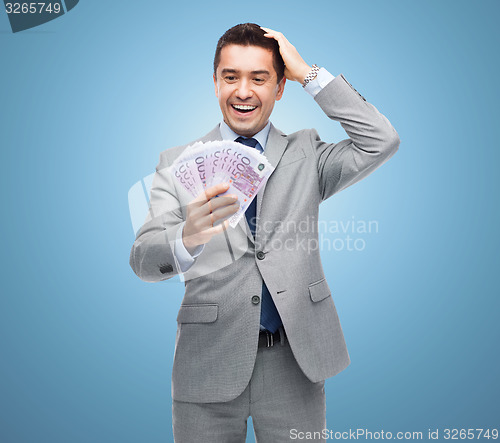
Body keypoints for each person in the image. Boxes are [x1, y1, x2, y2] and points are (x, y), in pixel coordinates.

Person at [130, 23, 399, 442]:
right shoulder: (176, 162)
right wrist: (188, 236)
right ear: (215, 82)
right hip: (207, 364)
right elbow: (144, 261)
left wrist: (309, 74)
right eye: (231, 76)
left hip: (294, 362)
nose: (243, 91)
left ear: (280, 87)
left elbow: (380, 140)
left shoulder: (307, 154)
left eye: (259, 77)